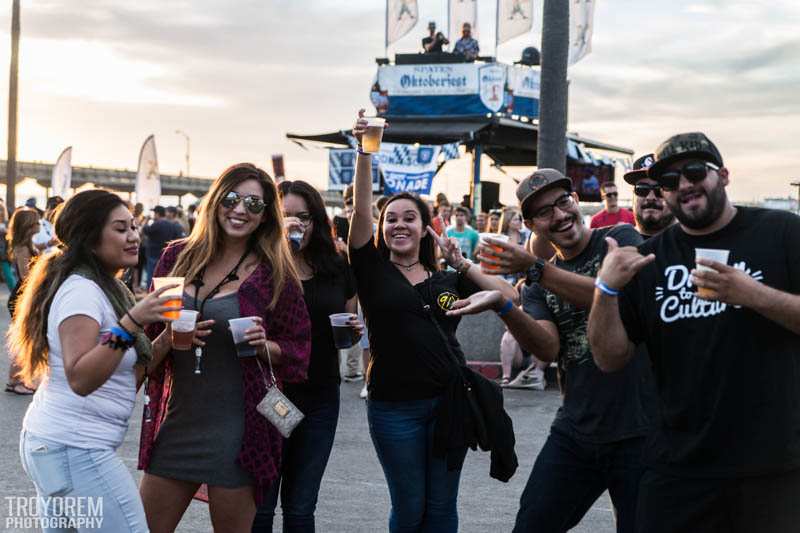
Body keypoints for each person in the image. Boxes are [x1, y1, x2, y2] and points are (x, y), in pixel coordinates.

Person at [588, 132, 800, 533]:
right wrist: (605, 289)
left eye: (695, 171)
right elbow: (609, 357)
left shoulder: (782, 233)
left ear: (723, 175)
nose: (684, 185)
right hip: (678, 469)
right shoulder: (652, 259)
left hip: (774, 469)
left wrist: (752, 294)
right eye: (669, 181)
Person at [456, 169, 656, 532]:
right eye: (545, 212)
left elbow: (615, 292)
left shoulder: (619, 238)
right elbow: (547, 348)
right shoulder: (536, 285)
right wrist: (504, 306)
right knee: (532, 524)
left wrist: (535, 269)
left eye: (563, 202)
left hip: (640, 430)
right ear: (532, 225)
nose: (560, 215)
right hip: (578, 430)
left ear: (576, 201)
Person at [349, 110, 518, 533]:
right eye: (392, 219)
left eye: (410, 218)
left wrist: (466, 266)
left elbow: (510, 296)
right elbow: (360, 214)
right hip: (393, 409)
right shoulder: (372, 272)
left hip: (449, 404)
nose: (399, 225)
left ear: (427, 229)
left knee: (442, 509)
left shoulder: (447, 279)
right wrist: (365, 153)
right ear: (381, 229)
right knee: (409, 508)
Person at [138, 163, 311, 533]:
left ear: (266, 216)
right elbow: (148, 348)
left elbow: (299, 350)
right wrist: (170, 337)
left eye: (254, 203)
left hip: (240, 432)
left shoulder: (274, 272)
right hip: (179, 424)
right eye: (232, 198)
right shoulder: (176, 257)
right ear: (216, 201)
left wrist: (266, 346)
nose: (240, 209)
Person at [12, 189, 185, 531]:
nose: (134, 236)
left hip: (57, 445)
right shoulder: (82, 291)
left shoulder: (106, 287)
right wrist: (133, 321)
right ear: (90, 239)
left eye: (134, 226)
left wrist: (169, 337)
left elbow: (120, 377)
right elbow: (81, 378)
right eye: (120, 229)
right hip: (74, 448)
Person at [253, 180, 362, 532]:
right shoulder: (260, 267)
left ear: (317, 220)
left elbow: (347, 320)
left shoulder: (335, 266)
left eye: (304, 217)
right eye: (286, 217)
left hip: (320, 396)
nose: (296, 224)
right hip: (273, 395)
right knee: (262, 504)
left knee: (301, 507)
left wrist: (352, 332)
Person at [5, 208, 41, 395]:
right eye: (36, 223)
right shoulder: (22, 247)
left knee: (26, 339)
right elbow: (26, 275)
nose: (39, 225)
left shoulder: (27, 245)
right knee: (23, 339)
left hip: (25, 295)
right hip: (23, 297)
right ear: (28, 226)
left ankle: (17, 380)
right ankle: (15, 380)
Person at [623, 154, 675, 238]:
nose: (650, 197)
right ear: (633, 195)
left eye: (659, 190)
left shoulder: (691, 247)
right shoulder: (615, 243)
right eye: (642, 189)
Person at [141, 205, 184, 289]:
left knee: (151, 276)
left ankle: (150, 294)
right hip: (165, 255)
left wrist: (146, 220)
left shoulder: (157, 224)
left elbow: (145, 230)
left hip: (153, 254)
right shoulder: (172, 225)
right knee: (161, 276)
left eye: (154, 213)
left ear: (157, 214)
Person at [0, 199, 17, 291]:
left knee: (9, 276)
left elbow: (12, 237)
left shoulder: (7, 224)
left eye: (1, 209)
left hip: (4, 254)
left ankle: (15, 297)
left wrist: (6, 232)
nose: (0, 212)